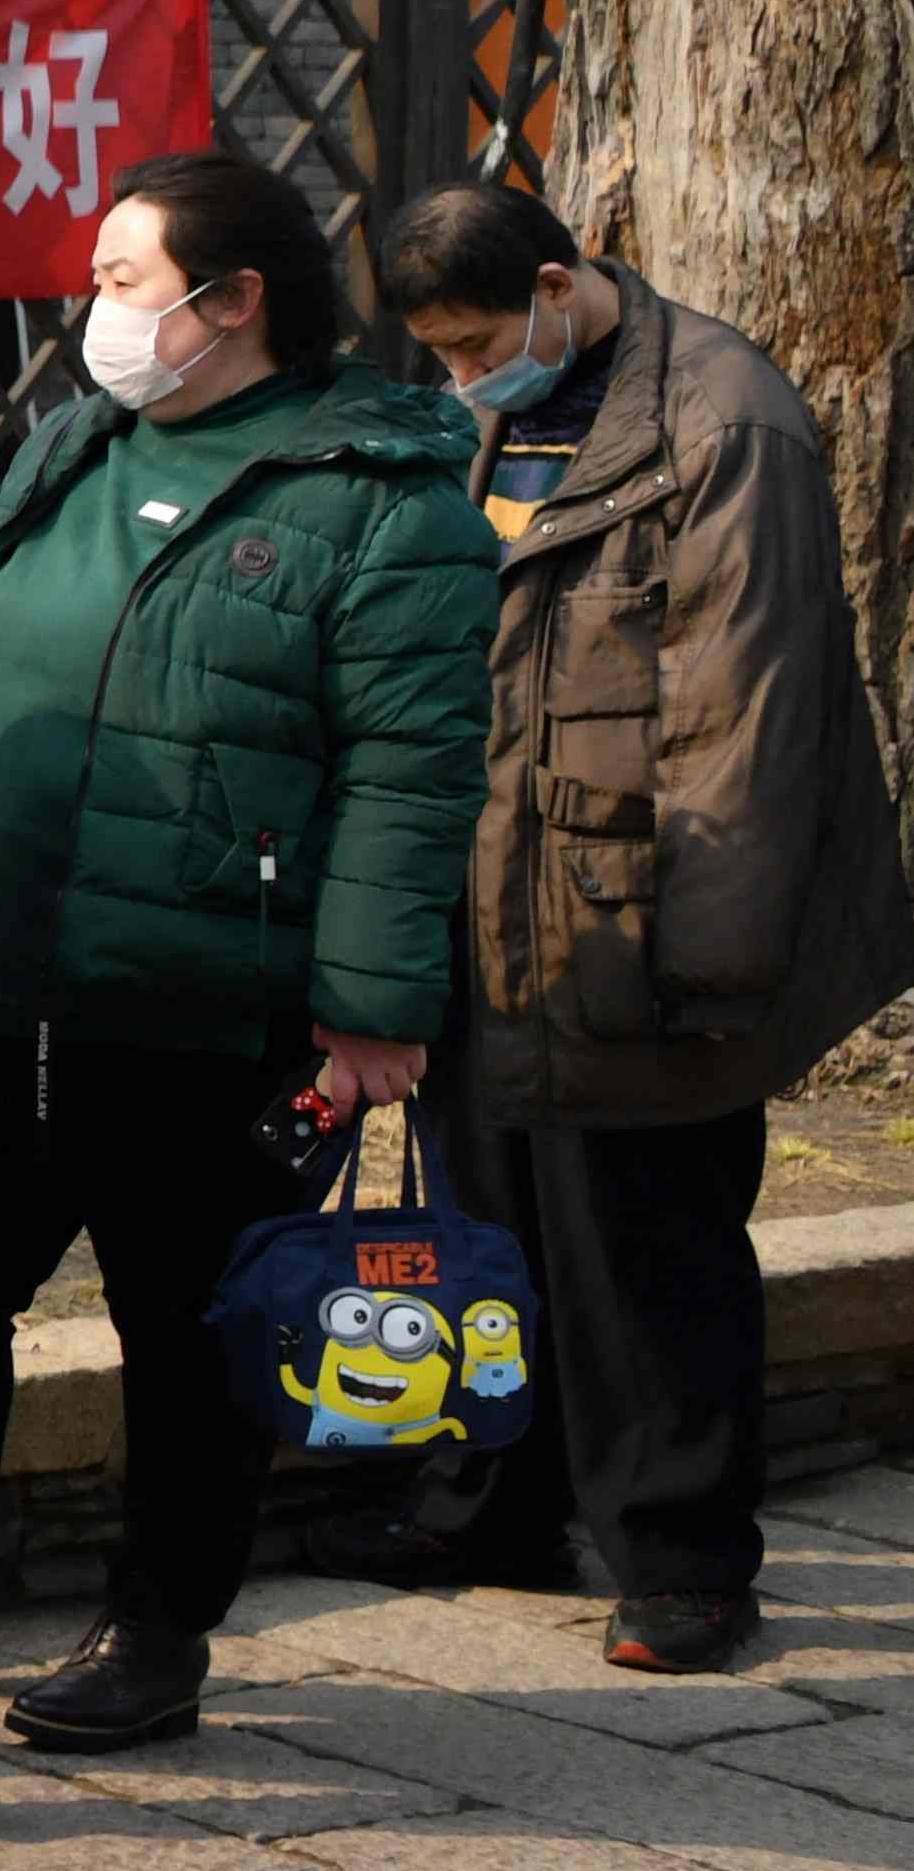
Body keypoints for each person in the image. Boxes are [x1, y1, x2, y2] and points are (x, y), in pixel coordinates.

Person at [0, 147, 502, 1749]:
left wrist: (374, 1008)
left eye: (119, 281)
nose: (90, 312)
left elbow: (410, 769)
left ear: (230, 304)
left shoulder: (380, 502)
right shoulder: (83, 434)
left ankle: (156, 1627)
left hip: (204, 999)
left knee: (188, 1327)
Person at [369, 183, 906, 1668]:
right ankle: (489, 1497)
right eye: (443, 356)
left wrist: (713, 959)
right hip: (485, 898)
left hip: (639, 908)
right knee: (487, 1228)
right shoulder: (472, 418)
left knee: (644, 1247)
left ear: (560, 283)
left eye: (481, 342)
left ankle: (681, 1556)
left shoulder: (722, 417)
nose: (466, 377)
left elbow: (751, 708)